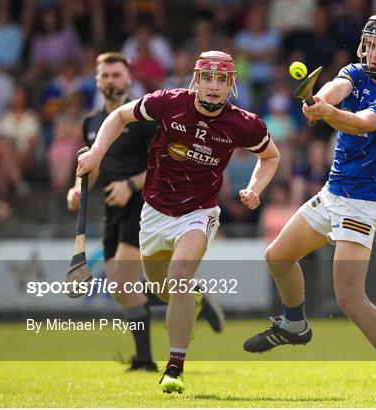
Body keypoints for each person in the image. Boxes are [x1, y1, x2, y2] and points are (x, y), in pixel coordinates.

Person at [243, 15, 376, 401]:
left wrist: (327, 113)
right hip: (332, 193)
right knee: (277, 255)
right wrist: (320, 101)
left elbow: (360, 124)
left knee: (348, 296)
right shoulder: (356, 72)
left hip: (362, 202)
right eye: (372, 44)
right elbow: (334, 88)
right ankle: (295, 325)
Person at [76, 50, 280, 393]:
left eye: (222, 80)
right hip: (155, 211)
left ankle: (174, 366)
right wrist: (96, 152)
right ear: (196, 81)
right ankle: (195, 299)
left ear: (231, 85)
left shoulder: (245, 123)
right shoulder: (168, 102)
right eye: (208, 79)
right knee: (160, 289)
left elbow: (271, 156)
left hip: (199, 213)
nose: (214, 87)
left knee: (179, 277)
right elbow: (119, 116)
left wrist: (256, 187)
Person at [67, 52, 226, 373]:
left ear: (128, 79)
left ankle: (145, 359)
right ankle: (193, 298)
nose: (111, 80)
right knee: (123, 289)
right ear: (97, 80)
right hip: (113, 211)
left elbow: (166, 160)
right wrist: (77, 187)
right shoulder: (91, 122)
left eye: (117, 75)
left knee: (128, 282)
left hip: (146, 204)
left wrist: (129, 183)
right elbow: (93, 166)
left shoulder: (142, 119)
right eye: (105, 75)